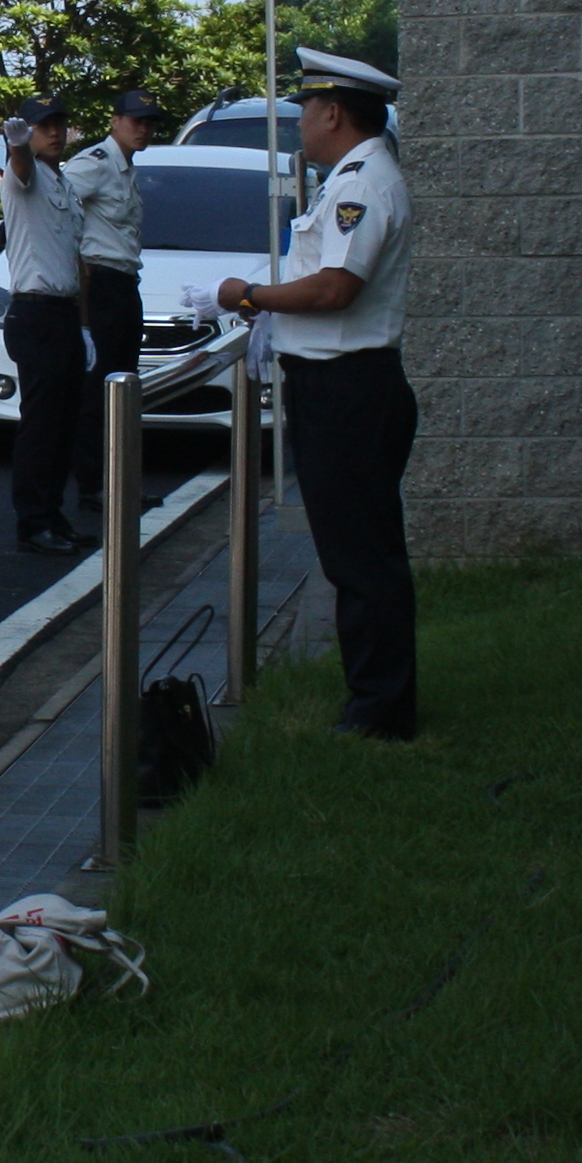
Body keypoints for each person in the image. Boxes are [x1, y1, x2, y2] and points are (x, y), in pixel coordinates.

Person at [210, 51, 417, 739]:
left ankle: (379, 712)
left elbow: (334, 288)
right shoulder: (349, 179)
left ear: (333, 112)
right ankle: (375, 700)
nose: (300, 123)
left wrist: (252, 296)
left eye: (305, 110)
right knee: (355, 552)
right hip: (336, 387)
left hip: (349, 390)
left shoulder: (364, 184)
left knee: (362, 558)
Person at [0, 99, 91, 554]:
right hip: (35, 311)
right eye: (43, 126)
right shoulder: (25, 175)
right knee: (41, 423)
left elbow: (77, 256)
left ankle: (53, 513)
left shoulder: (62, 181)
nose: (54, 133)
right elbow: (21, 167)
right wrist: (18, 148)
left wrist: (85, 325)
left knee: (64, 424)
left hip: (63, 311)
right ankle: (32, 521)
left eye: (59, 124)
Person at [61, 90, 159, 386]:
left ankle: (115, 433)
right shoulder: (96, 163)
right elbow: (56, 208)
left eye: (149, 123)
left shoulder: (125, 169)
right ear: (116, 121)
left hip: (124, 284)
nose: (143, 129)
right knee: (101, 381)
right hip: (100, 284)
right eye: (136, 121)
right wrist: (78, 268)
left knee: (124, 378)